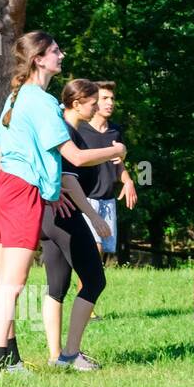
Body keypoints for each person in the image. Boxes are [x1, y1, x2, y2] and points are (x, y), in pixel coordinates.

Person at [0, 32, 125, 380]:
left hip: (6, 188)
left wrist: (48, 187)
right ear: (38, 59)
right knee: (11, 284)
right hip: (20, 193)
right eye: (55, 51)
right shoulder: (42, 101)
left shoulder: (15, 97)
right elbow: (75, 156)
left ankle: (9, 359)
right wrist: (116, 151)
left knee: (5, 280)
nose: (61, 55)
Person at [38, 78, 116, 369]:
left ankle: (55, 356)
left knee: (56, 286)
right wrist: (94, 217)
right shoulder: (66, 133)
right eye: (93, 103)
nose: (98, 108)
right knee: (95, 280)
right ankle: (71, 354)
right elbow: (70, 180)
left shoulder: (62, 129)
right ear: (76, 103)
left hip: (45, 216)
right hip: (65, 215)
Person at [80, 80, 138, 265]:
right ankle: (86, 292)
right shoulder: (79, 129)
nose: (110, 103)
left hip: (107, 200)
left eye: (112, 98)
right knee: (92, 250)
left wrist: (127, 181)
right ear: (93, 101)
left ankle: (88, 292)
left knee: (100, 254)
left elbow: (117, 162)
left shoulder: (115, 131)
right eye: (104, 98)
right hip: (85, 199)